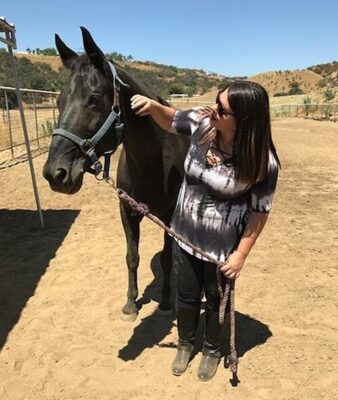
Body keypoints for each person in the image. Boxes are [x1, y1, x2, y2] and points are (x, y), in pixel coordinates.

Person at [130, 81, 280, 381]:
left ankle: (212, 348)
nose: (214, 109)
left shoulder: (262, 162)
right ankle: (185, 344)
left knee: (214, 299)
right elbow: (171, 119)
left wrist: (240, 255)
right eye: (216, 101)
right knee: (185, 294)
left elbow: (259, 214)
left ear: (243, 121)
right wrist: (154, 107)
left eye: (222, 109)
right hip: (184, 234)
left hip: (220, 249)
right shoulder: (202, 123)